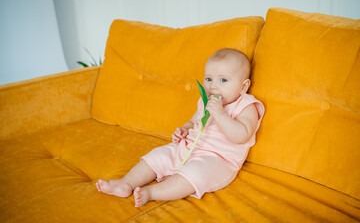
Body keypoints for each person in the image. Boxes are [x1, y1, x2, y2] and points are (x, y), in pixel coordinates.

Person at [96, 48, 265, 207]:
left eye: (223, 80)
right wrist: (184, 130)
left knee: (195, 174)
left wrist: (220, 115)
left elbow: (242, 135)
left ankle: (152, 192)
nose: (213, 86)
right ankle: (126, 183)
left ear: (243, 86)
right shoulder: (205, 102)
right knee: (159, 155)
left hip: (217, 160)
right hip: (189, 147)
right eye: (209, 79)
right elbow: (193, 122)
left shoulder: (246, 106)